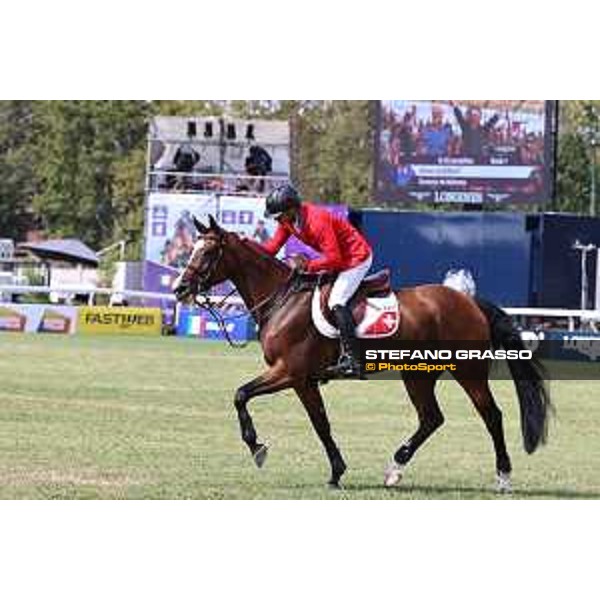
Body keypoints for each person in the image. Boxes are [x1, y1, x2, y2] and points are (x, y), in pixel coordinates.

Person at [261, 184, 373, 378]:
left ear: (291, 209)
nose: (277, 220)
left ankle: (353, 360)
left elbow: (335, 258)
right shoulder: (288, 221)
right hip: (338, 261)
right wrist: (248, 250)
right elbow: (271, 248)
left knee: (336, 300)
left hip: (356, 258)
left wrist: (307, 266)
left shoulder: (317, 220)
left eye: (279, 215)